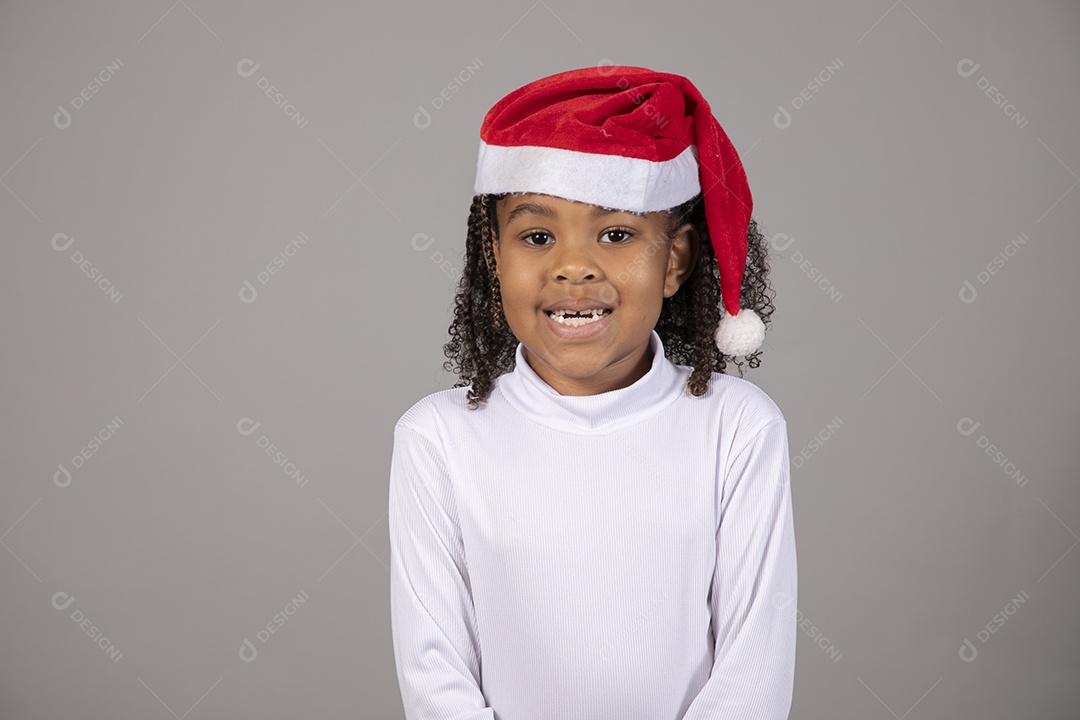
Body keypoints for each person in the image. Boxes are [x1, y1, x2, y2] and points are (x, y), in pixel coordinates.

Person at [388, 65, 797, 720]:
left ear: (676, 261)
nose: (573, 266)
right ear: (495, 258)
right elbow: (434, 669)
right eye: (537, 236)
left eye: (615, 234)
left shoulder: (737, 427)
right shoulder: (437, 438)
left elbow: (755, 664)